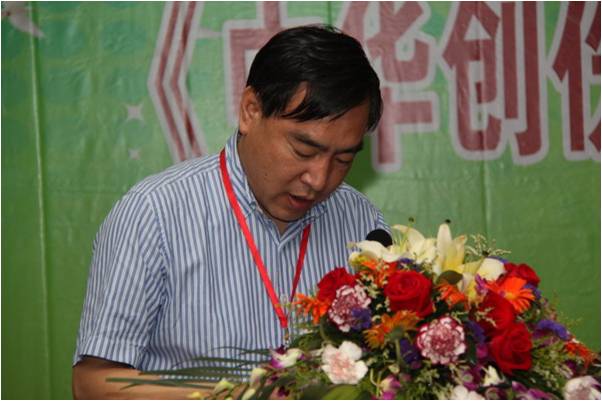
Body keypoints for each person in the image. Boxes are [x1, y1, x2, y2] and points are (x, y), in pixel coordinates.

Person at [72, 24, 387, 399]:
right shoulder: (154, 214)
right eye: (304, 150)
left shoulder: (362, 224)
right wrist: (237, 395)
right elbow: (93, 384)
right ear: (251, 111)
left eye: (343, 159)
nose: (319, 179)